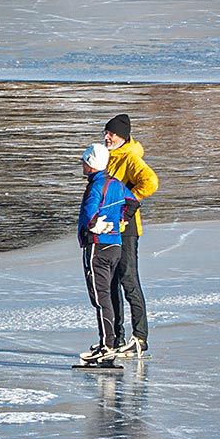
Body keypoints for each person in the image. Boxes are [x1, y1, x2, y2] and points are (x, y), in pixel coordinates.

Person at [103, 114, 159, 358]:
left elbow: (150, 182)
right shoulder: (107, 156)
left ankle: (140, 337)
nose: (107, 137)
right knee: (111, 281)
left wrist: (128, 200)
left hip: (127, 229)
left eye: (111, 134)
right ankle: (117, 337)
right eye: (105, 132)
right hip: (108, 228)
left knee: (128, 279)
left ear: (123, 137)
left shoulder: (130, 157)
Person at [76, 143, 136, 366]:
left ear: (91, 164)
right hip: (115, 246)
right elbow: (132, 202)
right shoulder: (116, 184)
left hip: (97, 247)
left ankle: (107, 346)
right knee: (109, 295)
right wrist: (121, 220)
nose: (82, 164)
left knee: (100, 298)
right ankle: (108, 342)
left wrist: (93, 226)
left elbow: (90, 214)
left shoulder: (96, 187)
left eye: (84, 161)